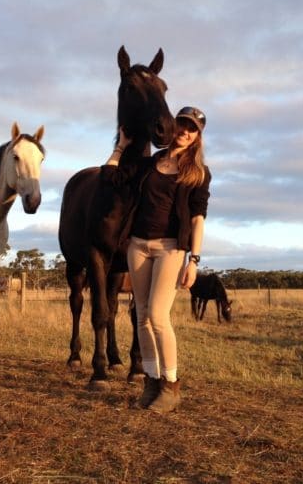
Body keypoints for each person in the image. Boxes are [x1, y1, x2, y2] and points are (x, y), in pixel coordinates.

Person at [102, 106, 211, 413]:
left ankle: (172, 385)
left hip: (171, 249)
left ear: (198, 137)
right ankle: (151, 381)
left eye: (193, 129)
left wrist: (194, 260)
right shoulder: (151, 163)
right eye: (183, 124)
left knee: (158, 317)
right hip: (138, 245)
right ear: (173, 125)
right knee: (141, 315)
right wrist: (120, 147)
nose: (185, 131)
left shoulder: (198, 173)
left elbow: (198, 219)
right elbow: (111, 177)